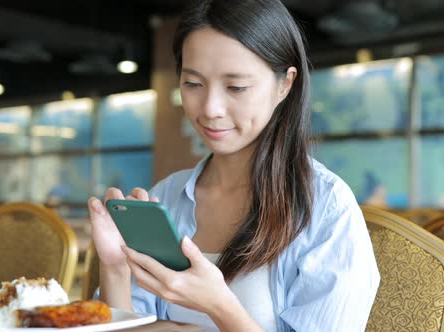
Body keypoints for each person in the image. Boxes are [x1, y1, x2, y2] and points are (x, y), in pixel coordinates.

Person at [87, 0, 380, 330]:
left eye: (236, 87)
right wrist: (114, 268)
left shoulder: (326, 206)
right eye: (193, 84)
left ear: (285, 84)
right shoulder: (166, 196)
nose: (210, 108)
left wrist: (218, 306)